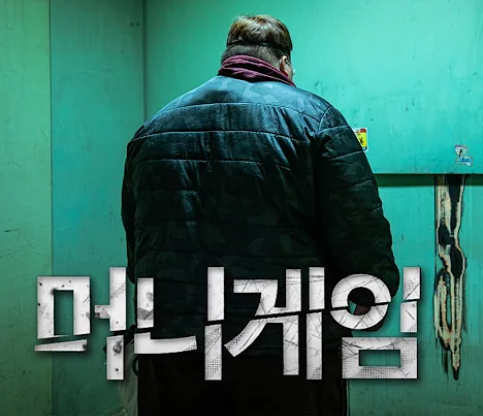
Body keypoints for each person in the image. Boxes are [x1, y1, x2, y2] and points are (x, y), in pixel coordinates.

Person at [121, 14, 399, 416]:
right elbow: (358, 226)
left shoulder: (154, 129)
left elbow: (138, 245)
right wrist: (369, 292)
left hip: (174, 344)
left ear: (227, 58)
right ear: (284, 64)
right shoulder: (317, 121)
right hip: (286, 348)